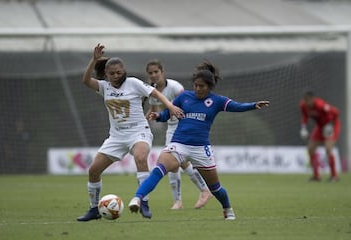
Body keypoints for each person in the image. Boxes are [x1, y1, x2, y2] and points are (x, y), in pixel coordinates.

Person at [128, 64, 270, 220]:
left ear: (209, 86)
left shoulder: (217, 101)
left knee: (215, 188)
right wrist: (159, 116)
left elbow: (236, 106)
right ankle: (138, 198)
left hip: (201, 149)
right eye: (195, 85)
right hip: (179, 144)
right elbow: (168, 113)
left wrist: (253, 105)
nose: (197, 88)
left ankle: (227, 208)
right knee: (158, 170)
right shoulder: (184, 97)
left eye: (201, 86)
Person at [77, 43, 183, 221]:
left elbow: (156, 94)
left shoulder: (133, 83)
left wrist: (171, 106)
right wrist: (94, 60)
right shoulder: (105, 87)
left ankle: (144, 203)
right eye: (112, 73)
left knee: (140, 158)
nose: (116, 76)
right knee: (93, 171)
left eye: (119, 72)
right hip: (116, 137)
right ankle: (94, 209)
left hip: (138, 132)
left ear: (123, 70)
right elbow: (86, 81)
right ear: (107, 74)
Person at [145, 59, 212, 210]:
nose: (154, 75)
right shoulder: (152, 91)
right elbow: (155, 109)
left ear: (163, 72)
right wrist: (144, 122)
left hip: (183, 126)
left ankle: (203, 190)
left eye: (156, 72)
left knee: (177, 162)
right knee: (173, 165)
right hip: (171, 127)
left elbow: (188, 102)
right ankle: (180, 201)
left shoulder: (175, 87)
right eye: (150, 73)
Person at [299, 91, 341, 182]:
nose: (307, 103)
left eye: (309, 101)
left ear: (313, 99)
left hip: (332, 125)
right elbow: (305, 116)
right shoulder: (303, 106)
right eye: (306, 101)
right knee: (310, 149)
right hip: (320, 127)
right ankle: (316, 176)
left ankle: (334, 176)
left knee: (328, 149)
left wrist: (330, 125)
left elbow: (336, 113)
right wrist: (303, 127)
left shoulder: (320, 105)